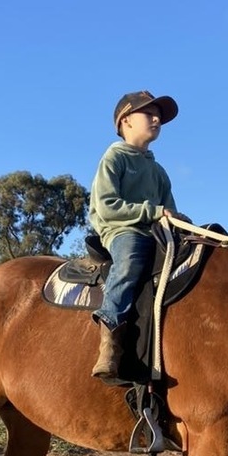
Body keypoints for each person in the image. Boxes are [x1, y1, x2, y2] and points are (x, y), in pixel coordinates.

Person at [89, 90, 182, 380]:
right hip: (122, 230)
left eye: (159, 116)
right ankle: (110, 341)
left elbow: (169, 210)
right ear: (126, 120)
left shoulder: (158, 172)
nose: (157, 120)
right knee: (129, 261)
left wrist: (177, 222)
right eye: (149, 114)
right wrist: (154, 212)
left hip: (156, 233)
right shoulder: (114, 157)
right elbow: (106, 206)